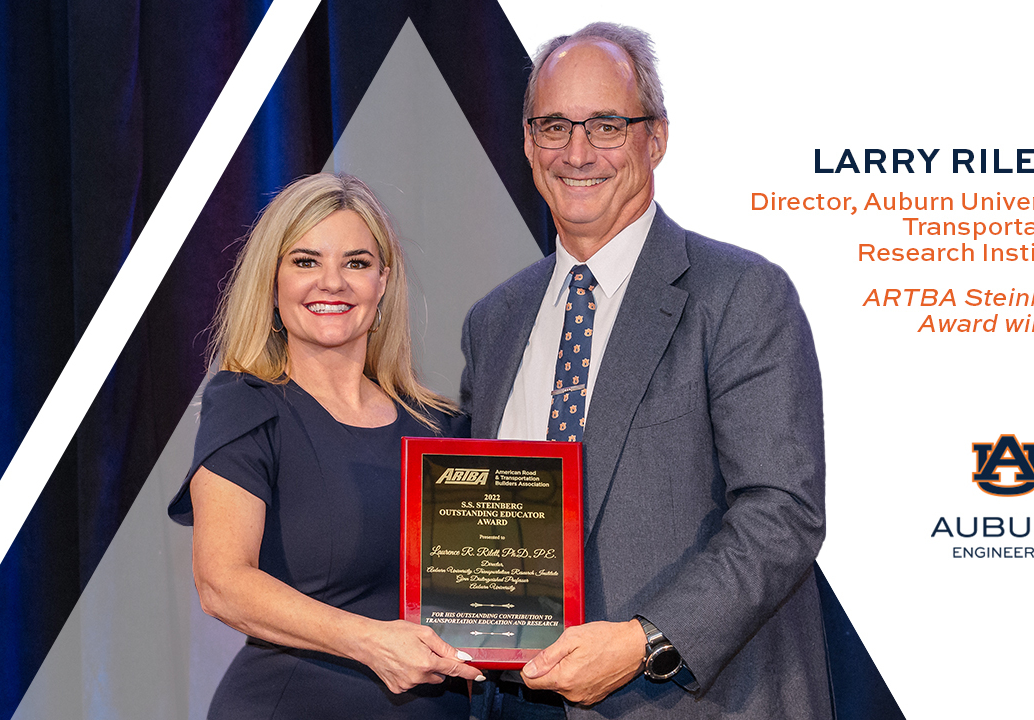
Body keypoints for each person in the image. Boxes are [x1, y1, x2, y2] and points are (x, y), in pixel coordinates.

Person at [460, 23, 830, 719]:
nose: (576, 152)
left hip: (688, 701)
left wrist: (644, 641)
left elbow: (782, 512)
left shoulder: (740, 294)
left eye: (606, 124)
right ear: (529, 142)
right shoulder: (494, 321)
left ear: (654, 138)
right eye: (553, 126)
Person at [168, 172, 483, 719]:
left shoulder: (443, 428)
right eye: (306, 261)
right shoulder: (246, 406)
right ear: (272, 280)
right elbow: (221, 582)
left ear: (383, 281)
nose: (332, 283)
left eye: (356, 263)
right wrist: (373, 642)